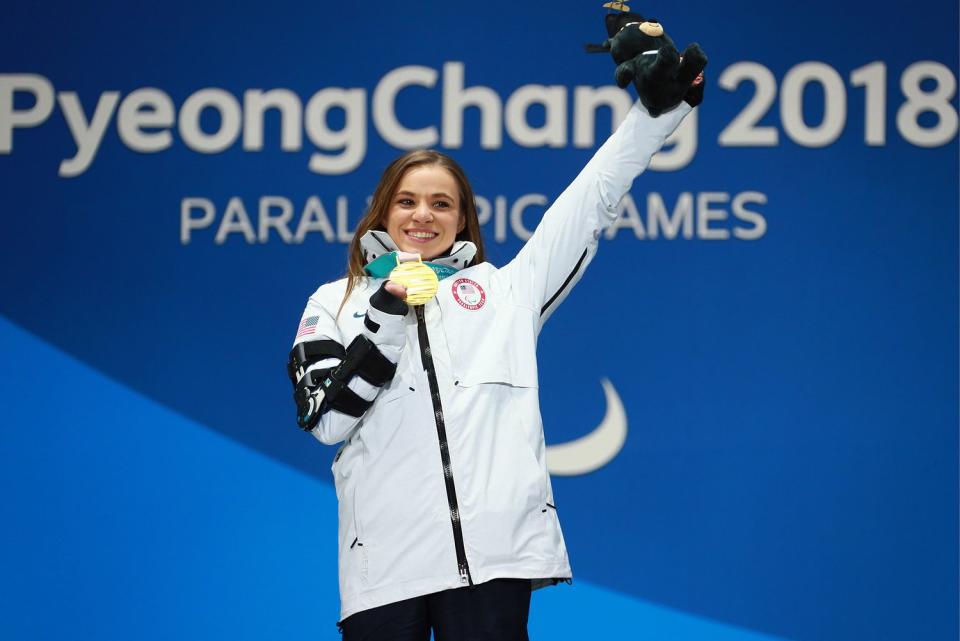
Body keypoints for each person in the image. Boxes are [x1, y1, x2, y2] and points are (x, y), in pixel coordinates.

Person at [288, 85, 697, 640]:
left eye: (441, 203)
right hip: (382, 567)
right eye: (407, 201)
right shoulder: (335, 302)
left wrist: (657, 115)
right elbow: (328, 423)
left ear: (464, 219)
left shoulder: (508, 292)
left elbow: (591, 199)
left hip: (493, 563)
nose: (423, 216)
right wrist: (386, 314)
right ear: (383, 210)